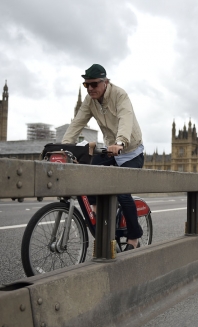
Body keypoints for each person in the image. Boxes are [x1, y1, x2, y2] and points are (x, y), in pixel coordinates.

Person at [62, 64, 145, 250]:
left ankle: (134, 238)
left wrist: (121, 142)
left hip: (131, 151)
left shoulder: (120, 95)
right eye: (86, 85)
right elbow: (77, 123)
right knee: (90, 173)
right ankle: (101, 221)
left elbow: (126, 118)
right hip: (111, 150)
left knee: (123, 192)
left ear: (105, 82)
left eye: (93, 84)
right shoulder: (90, 101)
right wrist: (65, 146)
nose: (90, 88)